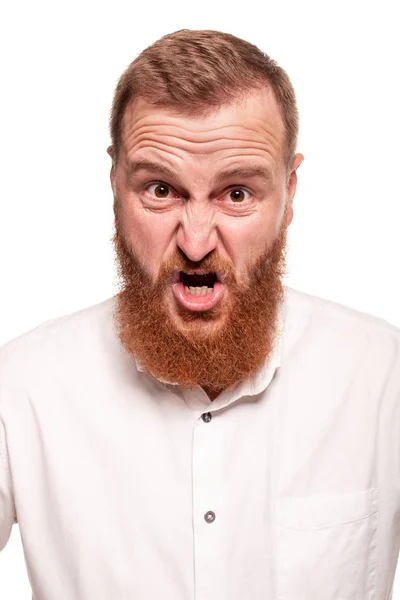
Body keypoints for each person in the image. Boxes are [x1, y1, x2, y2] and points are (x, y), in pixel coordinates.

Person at [0, 28, 399, 600]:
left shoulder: (385, 378)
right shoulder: (20, 387)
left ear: (290, 192)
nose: (194, 242)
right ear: (115, 183)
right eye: (161, 189)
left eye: (237, 194)